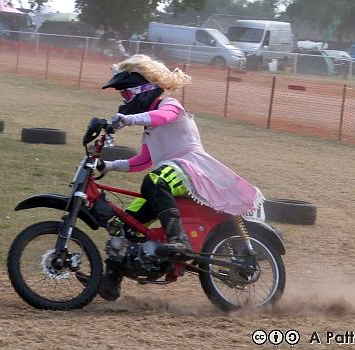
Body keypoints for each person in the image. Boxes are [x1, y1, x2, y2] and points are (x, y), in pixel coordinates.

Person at [98, 54, 265, 301]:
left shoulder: (170, 105)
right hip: (169, 173)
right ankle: (112, 280)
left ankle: (178, 240)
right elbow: (143, 160)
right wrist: (107, 165)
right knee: (126, 224)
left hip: (189, 168)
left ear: (143, 89)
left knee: (154, 180)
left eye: (126, 94)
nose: (123, 100)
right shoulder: (149, 129)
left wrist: (128, 120)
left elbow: (162, 117)